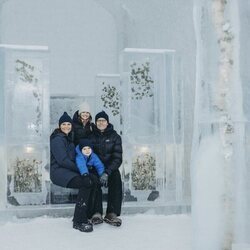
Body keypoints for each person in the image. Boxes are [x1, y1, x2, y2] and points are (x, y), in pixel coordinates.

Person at [50, 112, 95, 233]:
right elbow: (63, 160)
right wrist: (81, 169)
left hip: (67, 171)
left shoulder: (68, 138)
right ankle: (78, 221)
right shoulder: (57, 139)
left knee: (91, 179)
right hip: (59, 173)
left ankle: (85, 214)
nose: (66, 126)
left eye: (68, 124)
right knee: (86, 183)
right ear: (59, 126)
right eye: (63, 124)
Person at [88, 110, 123, 227]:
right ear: (96, 122)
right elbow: (88, 155)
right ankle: (96, 212)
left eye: (103, 120)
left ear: (107, 123)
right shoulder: (90, 136)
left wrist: (107, 172)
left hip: (110, 168)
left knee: (116, 179)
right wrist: (99, 170)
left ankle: (112, 213)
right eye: (99, 120)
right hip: (96, 167)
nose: (101, 123)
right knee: (93, 179)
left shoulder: (115, 137)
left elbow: (117, 158)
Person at [75, 138, 105, 224]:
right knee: (90, 183)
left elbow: (99, 165)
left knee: (96, 184)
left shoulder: (93, 156)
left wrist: (102, 175)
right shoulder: (79, 156)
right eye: (84, 149)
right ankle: (88, 211)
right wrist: (85, 174)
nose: (87, 151)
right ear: (81, 150)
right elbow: (81, 166)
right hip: (82, 172)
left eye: (89, 148)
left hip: (90, 171)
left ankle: (96, 212)